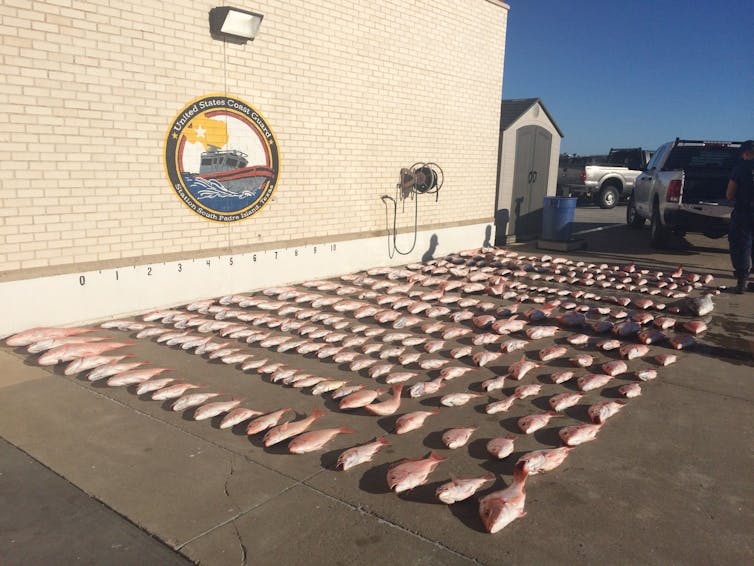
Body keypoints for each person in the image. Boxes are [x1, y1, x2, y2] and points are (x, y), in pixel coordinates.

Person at [726, 140, 754, 293]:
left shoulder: (741, 168)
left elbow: (729, 194)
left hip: (745, 213)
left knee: (741, 245)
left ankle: (741, 282)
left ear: (747, 153)